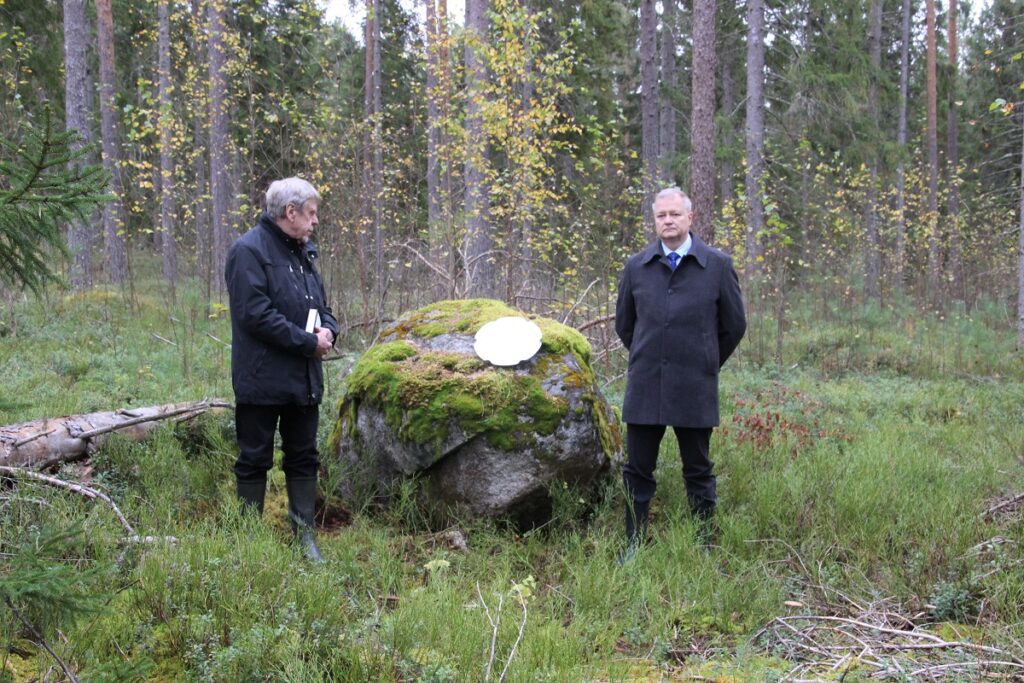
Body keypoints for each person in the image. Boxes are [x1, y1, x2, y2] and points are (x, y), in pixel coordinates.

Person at [614, 187, 746, 557]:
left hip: (695, 385)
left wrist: (705, 361)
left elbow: (733, 326)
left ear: (690, 217)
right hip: (645, 386)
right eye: (661, 216)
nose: (668, 221)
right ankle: (633, 547)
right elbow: (625, 325)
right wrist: (651, 357)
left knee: (699, 470)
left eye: (674, 214)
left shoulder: (717, 265)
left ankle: (702, 545)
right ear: (654, 221)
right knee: (637, 470)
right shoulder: (636, 267)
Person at [225, 177, 339, 562]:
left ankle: (305, 538)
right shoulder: (248, 252)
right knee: (254, 457)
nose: (315, 221)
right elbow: (255, 315)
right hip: (260, 379)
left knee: (303, 455)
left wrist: (329, 329)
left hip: (302, 379)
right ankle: (245, 542)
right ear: (289, 213)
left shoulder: (303, 254)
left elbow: (321, 307)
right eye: (310, 213)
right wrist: (309, 342)